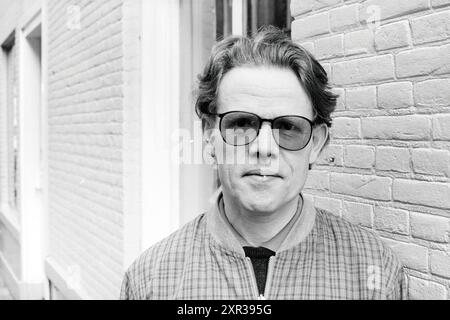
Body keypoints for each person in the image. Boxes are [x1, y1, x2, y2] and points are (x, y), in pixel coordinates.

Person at [120, 27, 405, 300]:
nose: (264, 148)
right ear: (209, 137)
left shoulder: (376, 275)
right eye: (242, 123)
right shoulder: (150, 281)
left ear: (316, 144)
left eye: (288, 127)